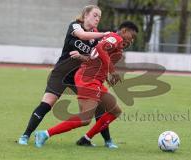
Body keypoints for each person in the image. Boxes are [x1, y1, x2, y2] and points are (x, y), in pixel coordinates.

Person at [18, 5, 118, 148]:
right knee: (47, 104)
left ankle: (107, 141)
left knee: (98, 107)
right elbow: (83, 36)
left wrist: (89, 60)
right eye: (95, 15)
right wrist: (104, 34)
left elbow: (94, 58)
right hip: (62, 74)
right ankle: (25, 135)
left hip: (81, 77)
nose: (97, 18)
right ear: (86, 15)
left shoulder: (96, 37)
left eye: (99, 17)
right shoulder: (75, 26)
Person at [34, 21, 139, 148]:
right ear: (124, 31)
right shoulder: (115, 38)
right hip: (88, 79)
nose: (132, 41)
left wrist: (106, 75)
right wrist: (112, 71)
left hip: (95, 80)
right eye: (132, 36)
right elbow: (100, 49)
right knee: (85, 118)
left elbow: (95, 58)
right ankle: (45, 134)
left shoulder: (114, 44)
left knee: (115, 111)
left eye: (134, 39)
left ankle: (86, 138)